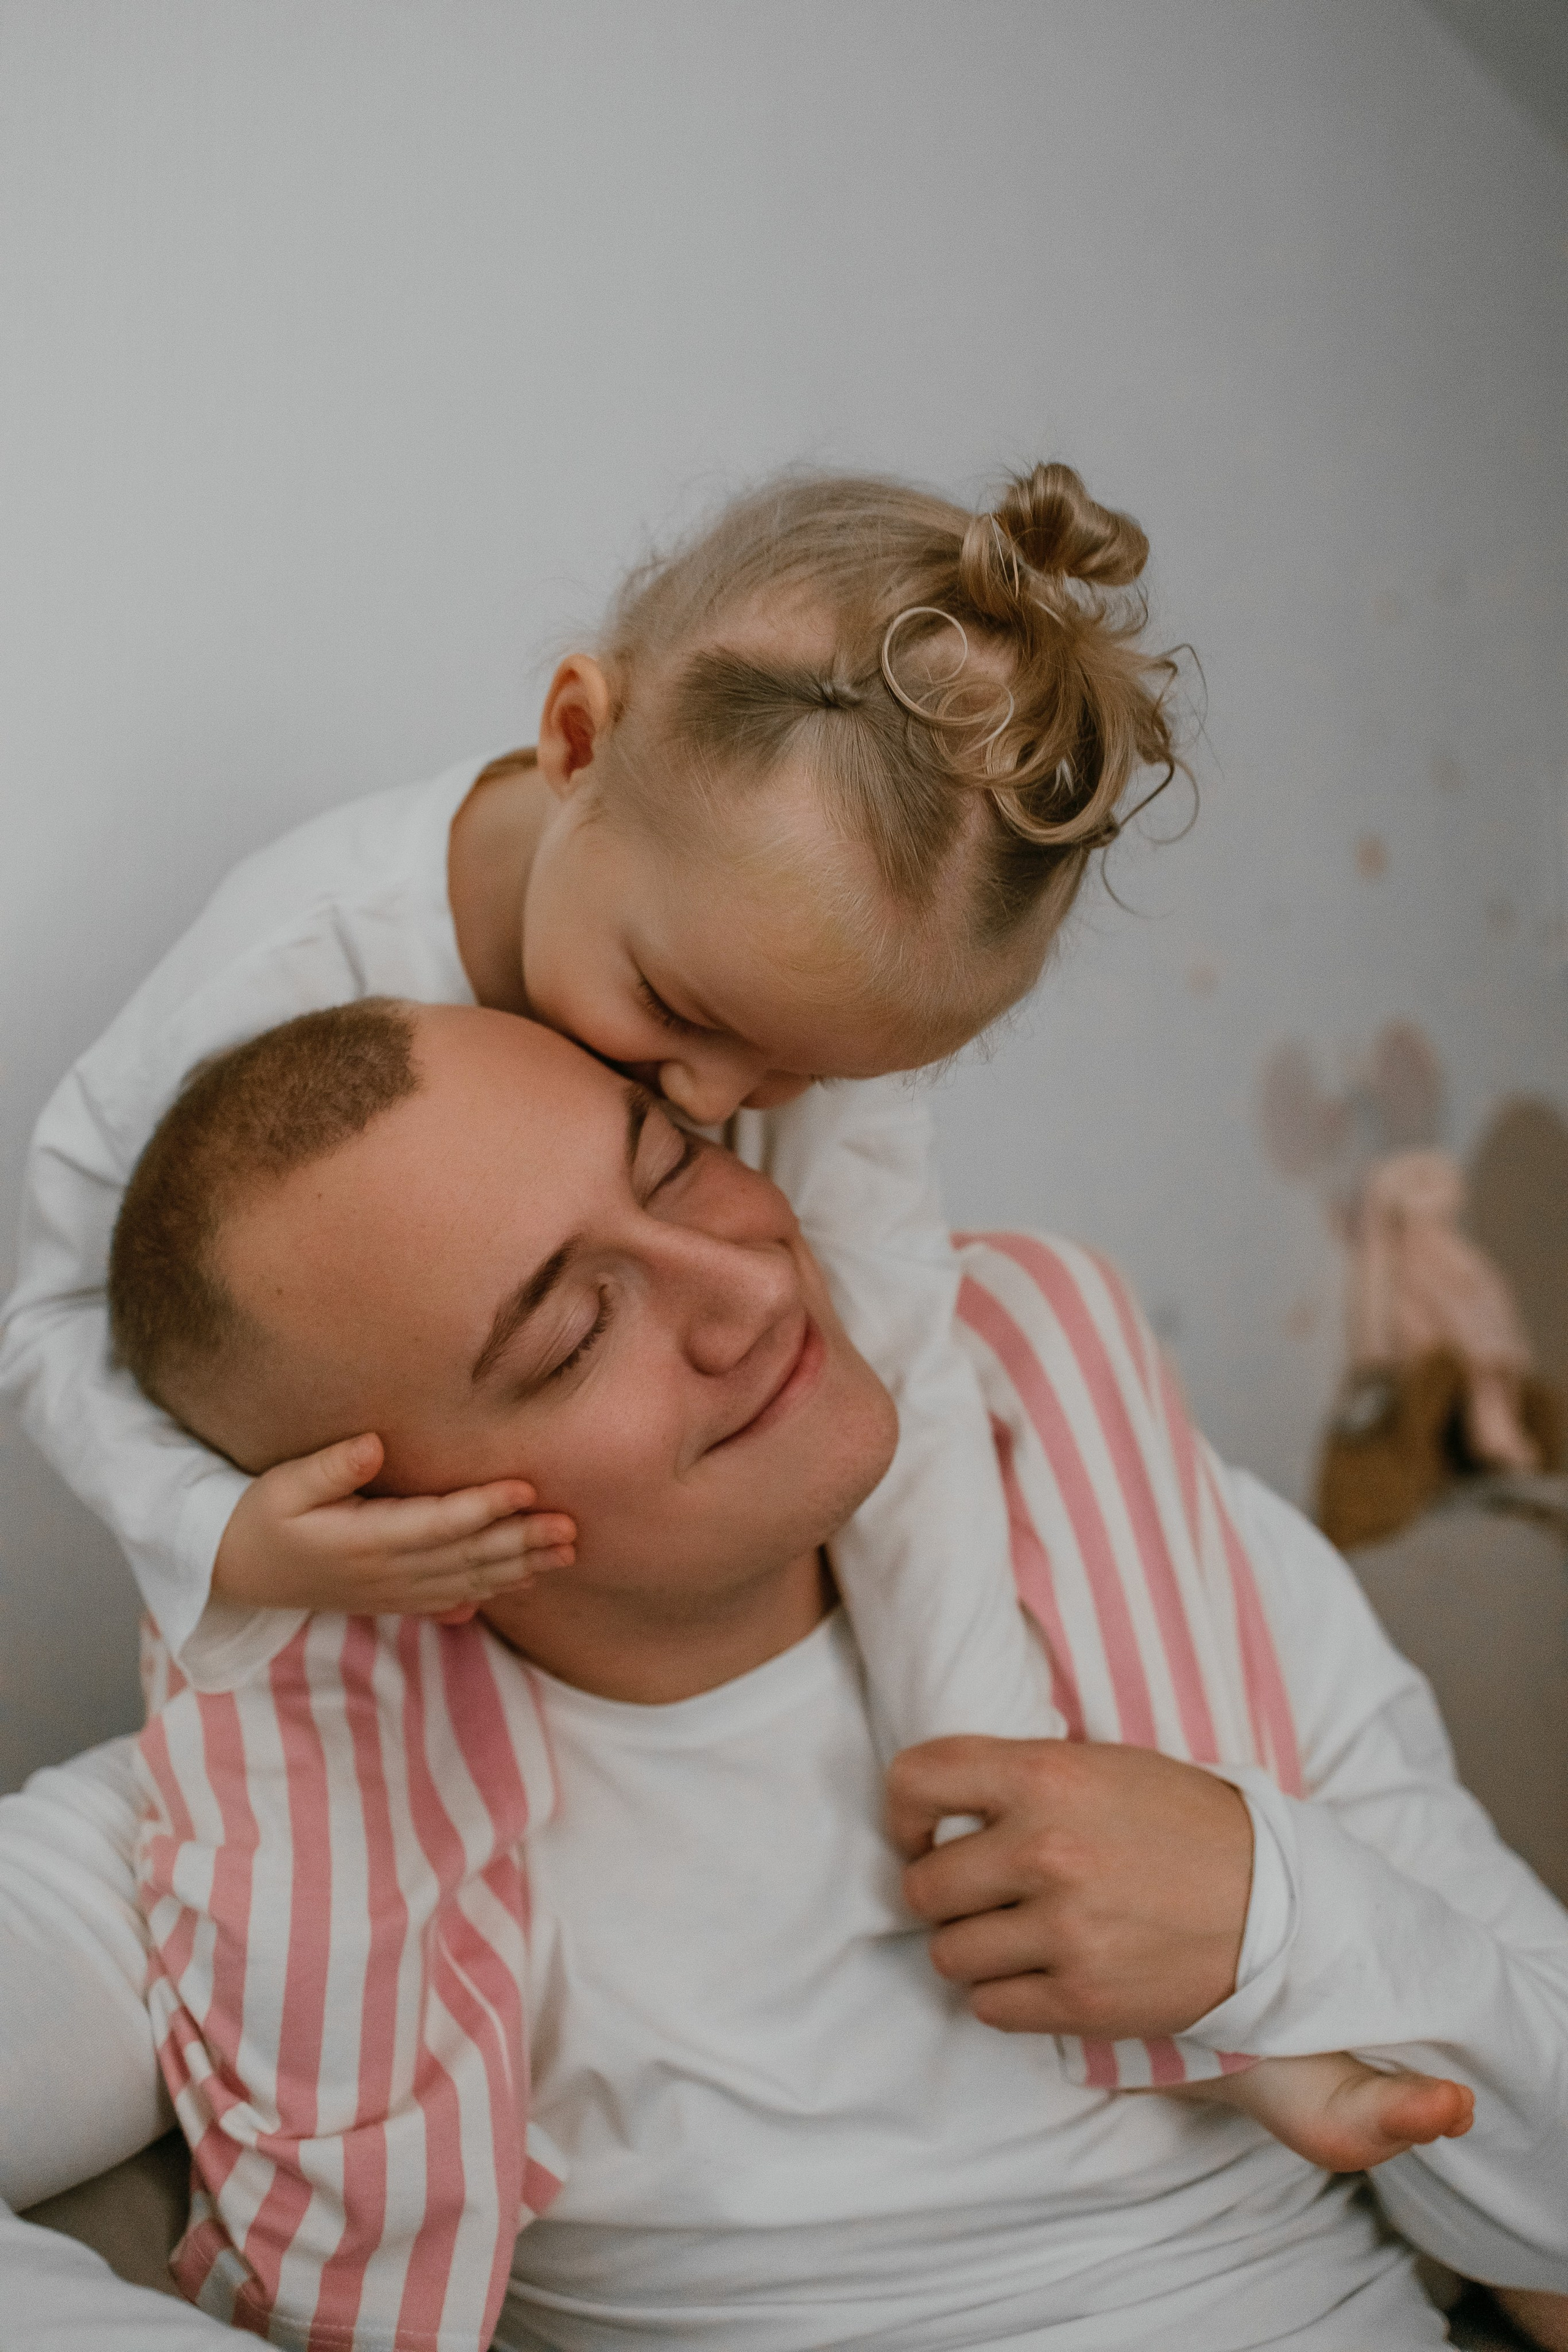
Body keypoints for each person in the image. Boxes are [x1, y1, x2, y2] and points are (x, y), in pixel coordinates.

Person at [4, 997, 1562, 2350]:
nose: (745, 1288)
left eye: (673, 1167)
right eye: (570, 1337)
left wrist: (1270, 1914)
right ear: (382, 1526)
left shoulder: (1127, 1541)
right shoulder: (272, 1847)